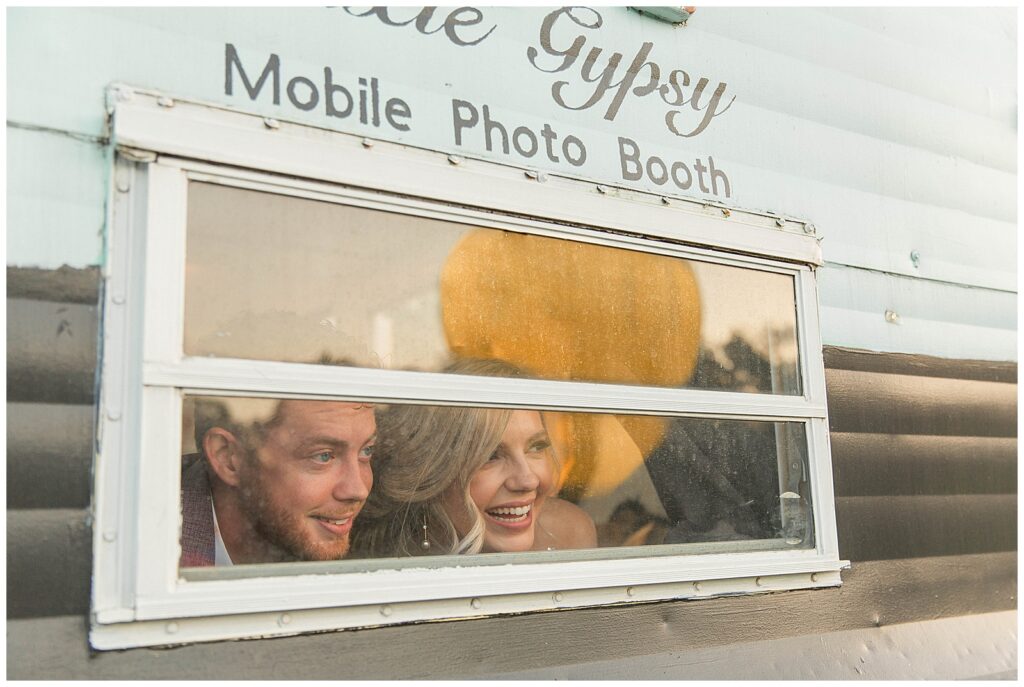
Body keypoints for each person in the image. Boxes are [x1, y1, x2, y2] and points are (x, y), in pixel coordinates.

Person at [352, 359, 596, 558]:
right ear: (433, 473)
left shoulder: (569, 533)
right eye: (490, 456)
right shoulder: (382, 559)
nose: (527, 480)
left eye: (536, 447)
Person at [180, 397, 376, 567]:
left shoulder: (377, 536)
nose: (358, 490)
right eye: (323, 456)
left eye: (366, 451)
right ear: (229, 458)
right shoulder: (156, 547)